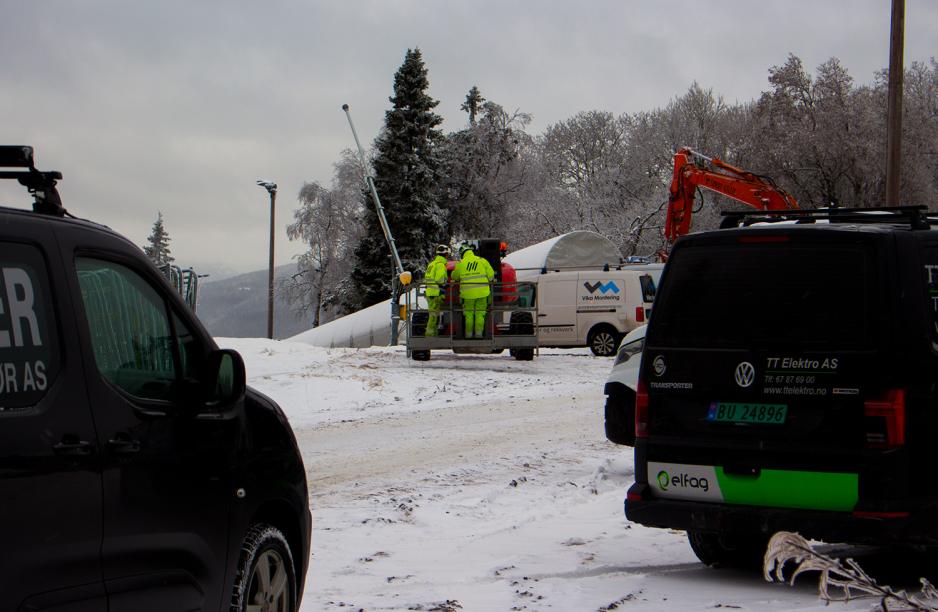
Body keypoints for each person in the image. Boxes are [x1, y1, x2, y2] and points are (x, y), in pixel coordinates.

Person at [451, 242, 495, 339]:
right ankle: (479, 334)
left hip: (467, 294)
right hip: (482, 293)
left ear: (462, 254)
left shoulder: (461, 263)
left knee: (469, 314)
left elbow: (454, 277)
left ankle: (468, 335)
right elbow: (491, 275)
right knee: (480, 313)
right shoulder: (482, 260)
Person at [423, 244, 450, 336]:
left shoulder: (432, 264)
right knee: (434, 317)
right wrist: (446, 284)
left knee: (433, 315)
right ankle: (430, 336)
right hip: (436, 293)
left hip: (430, 293)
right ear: (446, 254)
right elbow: (440, 279)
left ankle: (432, 335)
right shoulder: (440, 265)